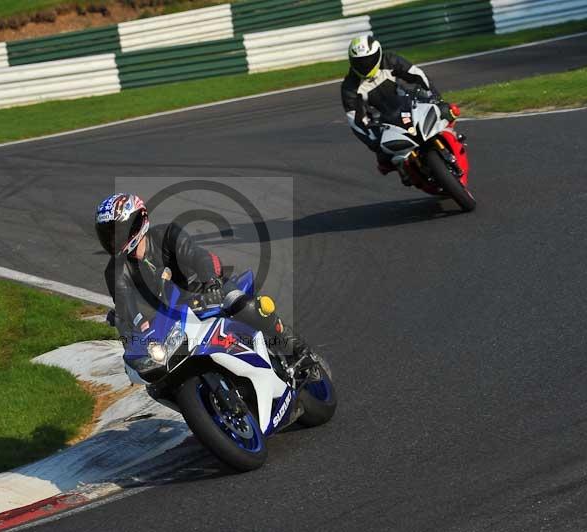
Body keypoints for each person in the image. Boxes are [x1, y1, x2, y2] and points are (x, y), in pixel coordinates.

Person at [94, 193, 316, 379]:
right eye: (108, 235)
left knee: (244, 305)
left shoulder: (167, 234)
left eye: (117, 232)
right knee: (153, 372)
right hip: (170, 321)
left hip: (204, 295)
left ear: (138, 222)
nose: (113, 240)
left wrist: (211, 283)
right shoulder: (114, 271)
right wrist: (133, 329)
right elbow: (126, 307)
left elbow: (198, 256)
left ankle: (297, 350)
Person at [341, 35, 458, 180]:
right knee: (384, 159)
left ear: (378, 54)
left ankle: (454, 139)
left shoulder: (390, 60)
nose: (364, 65)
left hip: (410, 104)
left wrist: (436, 98)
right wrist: (374, 142)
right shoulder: (350, 87)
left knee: (447, 111)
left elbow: (418, 76)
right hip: (384, 123)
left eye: (368, 59)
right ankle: (406, 172)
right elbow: (356, 121)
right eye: (359, 62)